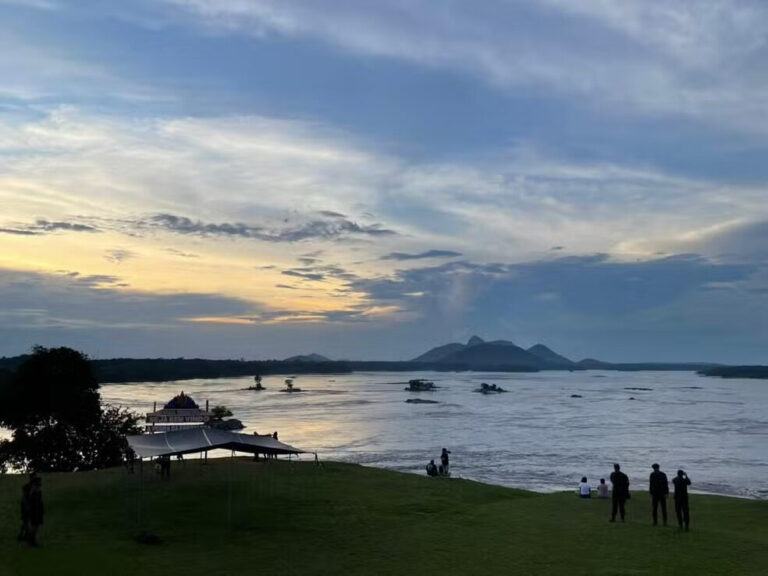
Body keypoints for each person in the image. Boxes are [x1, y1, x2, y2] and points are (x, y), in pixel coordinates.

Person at [26, 475, 44, 546]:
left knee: (35, 526)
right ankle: (30, 541)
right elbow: (32, 500)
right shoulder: (34, 490)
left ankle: (32, 541)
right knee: (34, 526)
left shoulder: (36, 489)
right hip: (35, 510)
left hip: (37, 510)